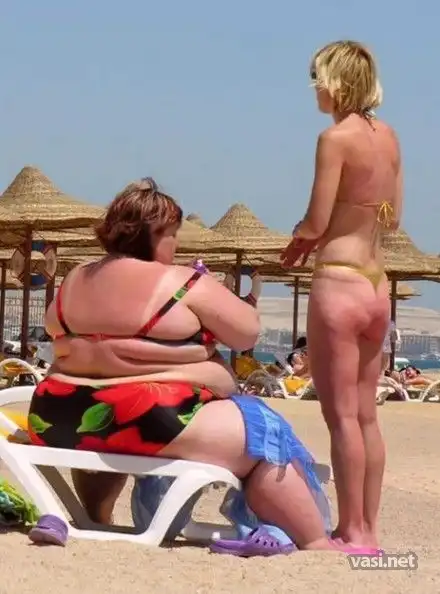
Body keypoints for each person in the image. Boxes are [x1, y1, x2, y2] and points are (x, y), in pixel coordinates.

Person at [28, 177, 370, 554]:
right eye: (172, 234)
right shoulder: (183, 282)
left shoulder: (77, 277)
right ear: (154, 234)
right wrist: (199, 338)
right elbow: (246, 333)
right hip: (151, 420)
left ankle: (96, 517)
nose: (176, 245)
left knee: (104, 418)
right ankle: (316, 540)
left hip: (57, 417)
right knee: (263, 436)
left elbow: (60, 330)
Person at [281, 40, 402, 549]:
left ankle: (350, 529)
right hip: (376, 284)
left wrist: (300, 237)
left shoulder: (335, 139)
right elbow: (393, 218)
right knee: (367, 414)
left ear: (336, 83)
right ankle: (369, 529)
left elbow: (316, 219)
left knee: (341, 416)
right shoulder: (388, 137)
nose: (314, 88)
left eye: (318, 78)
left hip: (339, 281)